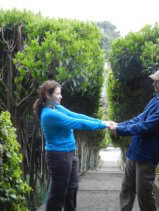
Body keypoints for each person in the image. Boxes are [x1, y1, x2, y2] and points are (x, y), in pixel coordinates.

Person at [33, 80, 111, 211]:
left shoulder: (56, 107)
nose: (61, 96)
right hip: (59, 156)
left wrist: (102, 121)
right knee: (58, 193)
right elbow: (76, 122)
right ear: (47, 94)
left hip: (70, 154)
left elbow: (76, 115)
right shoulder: (49, 114)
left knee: (72, 189)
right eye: (58, 94)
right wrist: (104, 125)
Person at [109, 68, 159, 211]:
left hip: (147, 156)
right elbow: (140, 118)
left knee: (144, 193)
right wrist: (119, 125)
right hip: (134, 152)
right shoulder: (156, 99)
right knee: (126, 190)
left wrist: (119, 129)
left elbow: (144, 127)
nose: (154, 85)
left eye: (157, 82)